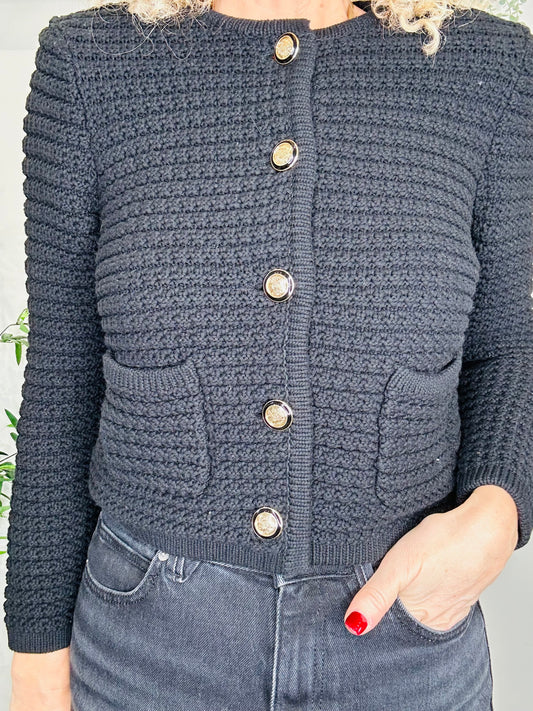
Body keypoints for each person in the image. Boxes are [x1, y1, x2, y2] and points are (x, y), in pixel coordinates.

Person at [5, 0, 533, 709]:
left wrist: (497, 515)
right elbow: (62, 375)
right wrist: (36, 661)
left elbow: (511, 350)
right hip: (145, 649)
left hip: (404, 644)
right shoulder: (90, 62)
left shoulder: (490, 68)